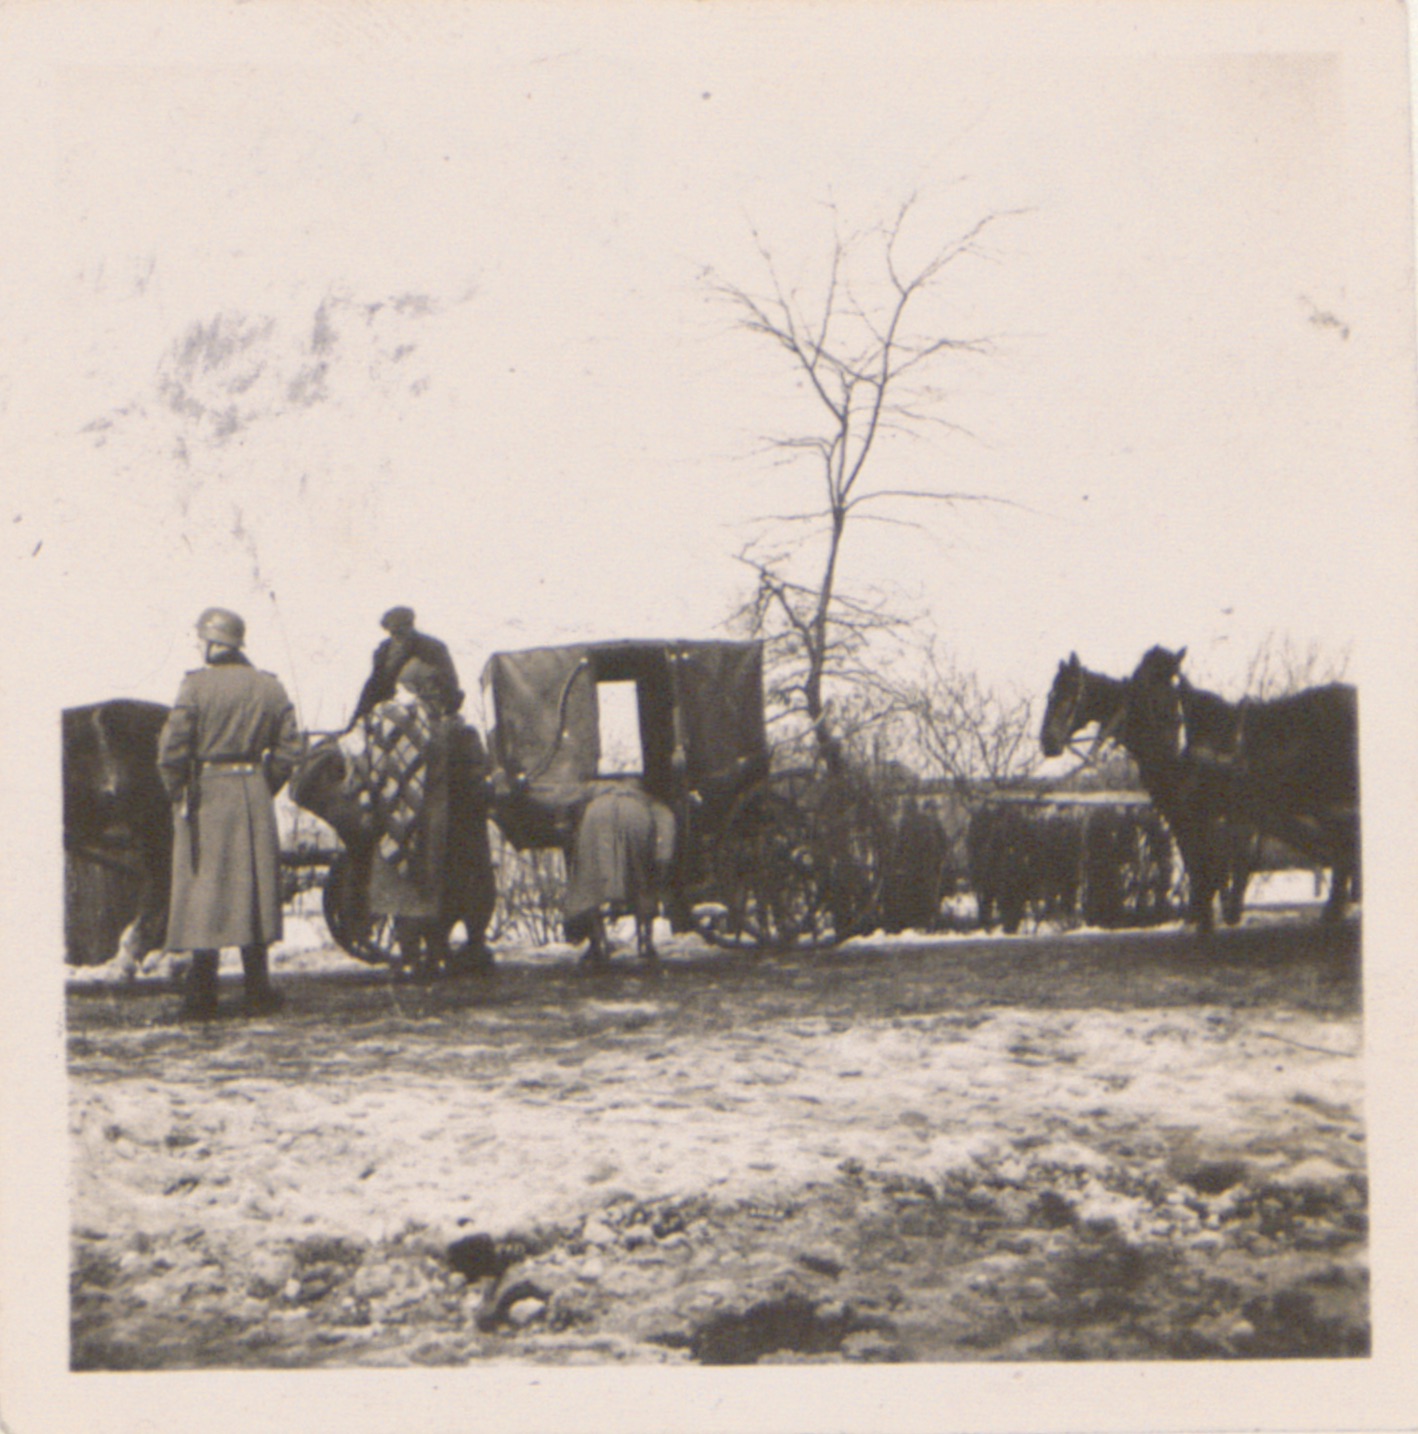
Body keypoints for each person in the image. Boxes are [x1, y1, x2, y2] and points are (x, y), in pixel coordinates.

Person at [157, 607, 302, 1019]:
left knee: (205, 890)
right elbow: (291, 748)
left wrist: (176, 793)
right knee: (252, 888)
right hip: (253, 791)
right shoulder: (269, 687)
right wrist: (262, 787)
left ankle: (202, 994)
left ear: (213, 642)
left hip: (207, 795)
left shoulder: (195, 686)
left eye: (200, 639)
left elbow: (172, 750)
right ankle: (258, 989)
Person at [339, 657, 459, 979]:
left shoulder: (378, 716)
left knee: (398, 883)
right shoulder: (437, 722)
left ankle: (408, 960)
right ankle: (435, 957)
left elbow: (363, 761)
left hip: (391, 814)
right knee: (429, 883)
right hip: (432, 816)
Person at [350, 606, 464, 725]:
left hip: (436, 708)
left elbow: (449, 680)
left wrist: (449, 711)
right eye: (393, 632)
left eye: (401, 631)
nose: (398, 637)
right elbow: (374, 684)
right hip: (395, 710)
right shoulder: (384, 652)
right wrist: (358, 717)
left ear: (410, 626)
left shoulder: (432, 647)